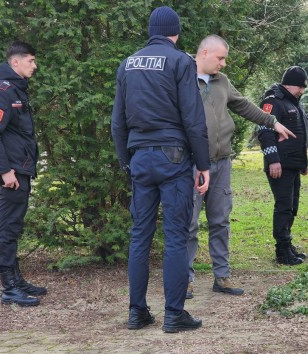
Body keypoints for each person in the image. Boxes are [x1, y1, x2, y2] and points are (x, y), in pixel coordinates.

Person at [111, 6, 210, 333]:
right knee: (176, 237)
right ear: (176, 32)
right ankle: (173, 314)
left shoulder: (128, 64)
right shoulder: (182, 62)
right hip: (173, 158)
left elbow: (117, 124)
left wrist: (127, 161)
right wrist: (203, 164)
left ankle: (136, 312)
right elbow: (194, 120)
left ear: (151, 30)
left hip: (140, 157)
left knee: (139, 236)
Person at [186, 35, 296, 299]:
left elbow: (243, 105)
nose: (223, 64)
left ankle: (221, 277)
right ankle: (184, 280)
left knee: (220, 220)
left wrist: (273, 122)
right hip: (190, 164)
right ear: (203, 53)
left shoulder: (222, 82)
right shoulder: (182, 79)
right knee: (187, 223)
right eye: (220, 58)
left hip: (221, 162)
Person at [0, 41, 46, 306]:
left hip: (20, 169)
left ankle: (16, 280)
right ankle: (9, 289)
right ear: (15, 62)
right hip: (12, 173)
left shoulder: (16, 89)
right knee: (7, 228)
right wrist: (5, 171)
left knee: (14, 226)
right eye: (31, 60)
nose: (34, 66)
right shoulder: (3, 92)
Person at [257, 66, 308, 266]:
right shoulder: (273, 101)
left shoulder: (294, 102)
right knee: (284, 206)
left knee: (292, 206)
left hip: (294, 164)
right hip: (280, 164)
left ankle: (287, 245)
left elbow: (300, 135)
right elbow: (264, 132)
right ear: (290, 84)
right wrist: (273, 160)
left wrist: (303, 163)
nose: (302, 91)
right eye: (300, 87)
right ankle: (282, 251)